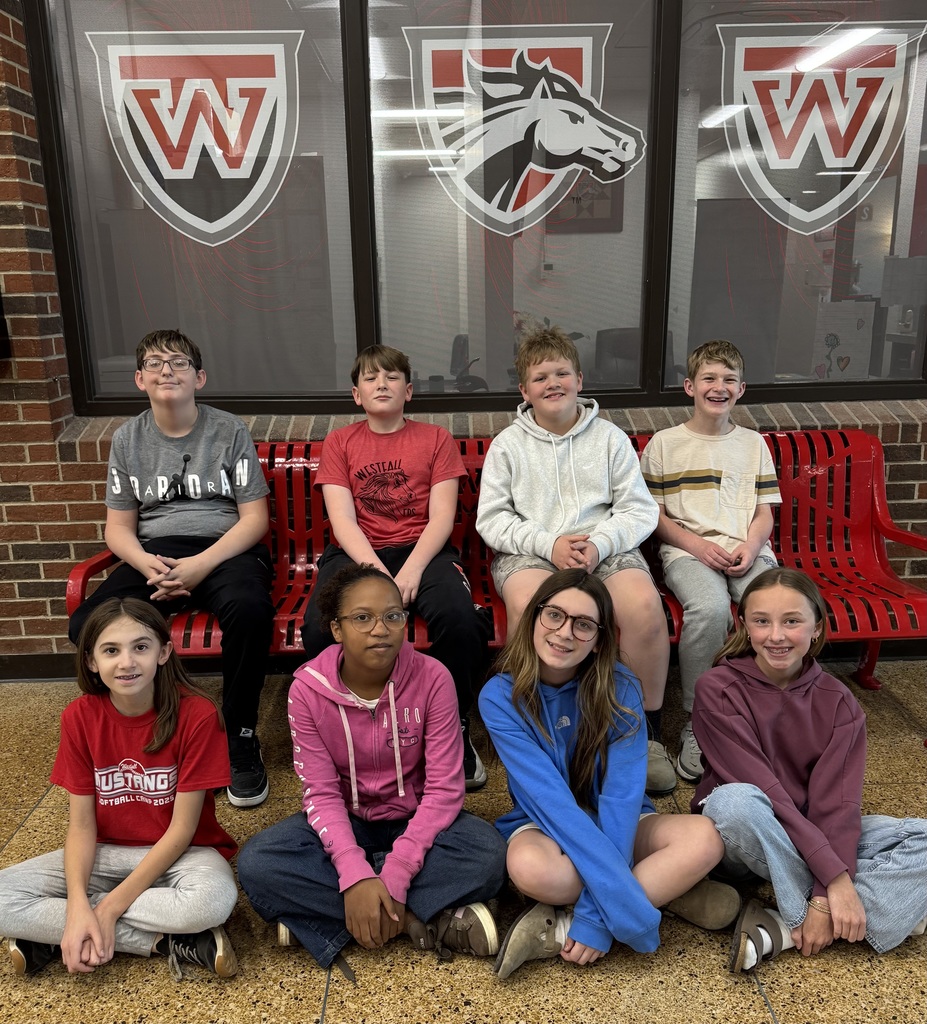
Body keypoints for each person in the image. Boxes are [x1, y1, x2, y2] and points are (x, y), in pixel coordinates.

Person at [240, 563, 507, 972]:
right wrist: (353, 871)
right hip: (349, 820)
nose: (380, 629)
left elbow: (444, 791)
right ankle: (417, 916)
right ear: (336, 628)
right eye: (362, 618)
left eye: (393, 615)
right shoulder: (307, 690)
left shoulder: (434, 678)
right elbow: (322, 794)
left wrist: (396, 871)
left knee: (490, 854)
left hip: (418, 820)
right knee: (258, 862)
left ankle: (337, 918)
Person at [478, 569, 741, 979]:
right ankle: (655, 894)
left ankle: (571, 921)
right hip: (546, 823)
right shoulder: (500, 696)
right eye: (554, 616)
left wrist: (592, 920)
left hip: (622, 820)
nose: (565, 633)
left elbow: (621, 796)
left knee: (706, 839)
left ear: (600, 638)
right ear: (534, 619)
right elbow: (551, 802)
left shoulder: (622, 686)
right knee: (532, 870)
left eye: (583, 624)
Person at [67, 329, 274, 809]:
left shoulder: (229, 431)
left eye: (179, 363)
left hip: (224, 550)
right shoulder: (128, 439)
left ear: (198, 377)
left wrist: (201, 565)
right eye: (155, 364)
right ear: (140, 379)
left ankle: (239, 734)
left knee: (249, 609)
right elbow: (118, 528)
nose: (167, 371)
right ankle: (155, 723)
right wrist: (146, 565)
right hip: (153, 553)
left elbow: (254, 519)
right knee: (87, 624)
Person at [691, 568, 927, 973]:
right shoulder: (717, 689)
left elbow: (837, 804)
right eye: (762, 621)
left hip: (807, 828)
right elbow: (764, 789)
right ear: (743, 625)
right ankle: (860, 908)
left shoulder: (840, 703)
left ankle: (784, 925)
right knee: (735, 801)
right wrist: (833, 883)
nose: (776, 636)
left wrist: (826, 888)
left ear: (816, 627)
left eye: (792, 621)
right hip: (744, 834)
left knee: (923, 837)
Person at [475, 326, 674, 796]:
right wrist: (549, 545)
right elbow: (493, 519)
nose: (553, 382)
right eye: (540, 376)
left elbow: (639, 509)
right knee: (534, 609)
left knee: (643, 608)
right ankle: (545, 729)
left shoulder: (608, 439)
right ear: (524, 390)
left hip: (606, 549)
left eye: (562, 372)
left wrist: (601, 543)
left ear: (580, 379)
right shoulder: (507, 446)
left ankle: (642, 734)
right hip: (530, 553)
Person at [0, 598, 239, 979]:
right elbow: (80, 827)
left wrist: (107, 909)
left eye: (140, 647)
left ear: (163, 652)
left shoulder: (198, 714)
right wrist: (78, 905)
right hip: (105, 855)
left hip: (183, 854)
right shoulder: (79, 717)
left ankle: (57, 935)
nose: (126, 662)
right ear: (92, 661)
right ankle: (163, 941)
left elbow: (181, 831)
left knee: (212, 903)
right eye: (111, 650)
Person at [300, 345, 489, 790]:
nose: (381, 383)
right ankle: (350, 720)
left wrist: (411, 571)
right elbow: (343, 519)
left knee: (461, 621)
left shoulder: (435, 439)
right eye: (370, 378)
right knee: (317, 627)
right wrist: (377, 575)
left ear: (409, 391)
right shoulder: (341, 442)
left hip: (424, 549)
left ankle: (452, 725)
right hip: (356, 551)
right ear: (356, 394)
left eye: (391, 377)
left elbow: (442, 517)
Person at [639, 339, 780, 783]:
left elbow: (764, 511)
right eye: (709, 379)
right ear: (689, 386)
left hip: (749, 550)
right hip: (687, 552)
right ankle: (701, 723)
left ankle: (771, 713)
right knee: (712, 607)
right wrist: (698, 547)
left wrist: (752, 547)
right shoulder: (665, 444)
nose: (719, 388)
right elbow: (653, 517)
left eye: (729, 380)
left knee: (779, 609)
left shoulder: (753, 444)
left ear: (742, 389)